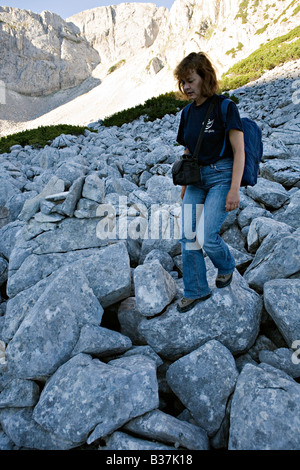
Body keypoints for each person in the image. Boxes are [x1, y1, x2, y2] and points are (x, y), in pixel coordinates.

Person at [174, 52, 245, 313]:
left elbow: (240, 151)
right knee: (188, 237)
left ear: (205, 77)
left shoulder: (226, 107)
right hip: (196, 180)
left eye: (190, 80)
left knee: (207, 236)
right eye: (183, 82)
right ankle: (196, 290)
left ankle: (226, 265)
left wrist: (234, 189)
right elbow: (188, 150)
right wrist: (184, 185)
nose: (186, 87)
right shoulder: (186, 113)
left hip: (222, 176)